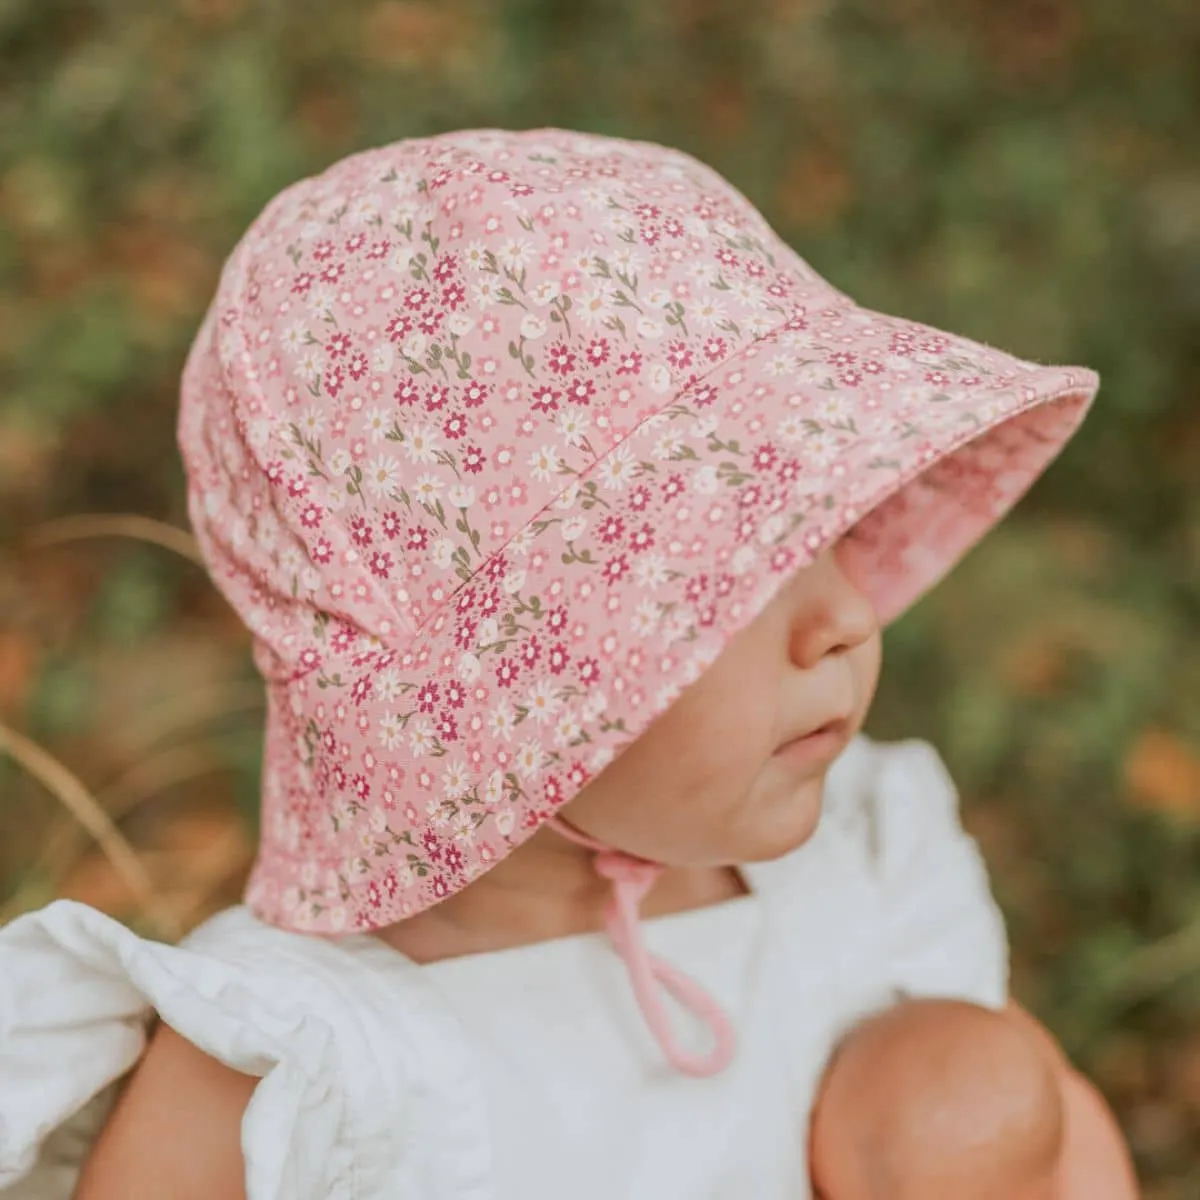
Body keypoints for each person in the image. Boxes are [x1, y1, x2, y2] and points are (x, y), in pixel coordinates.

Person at [0, 128, 1140, 1199]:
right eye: (724, 575)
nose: (845, 615)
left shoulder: (864, 880)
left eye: (830, 526)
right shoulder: (302, 1061)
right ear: (496, 690)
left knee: (967, 1090)